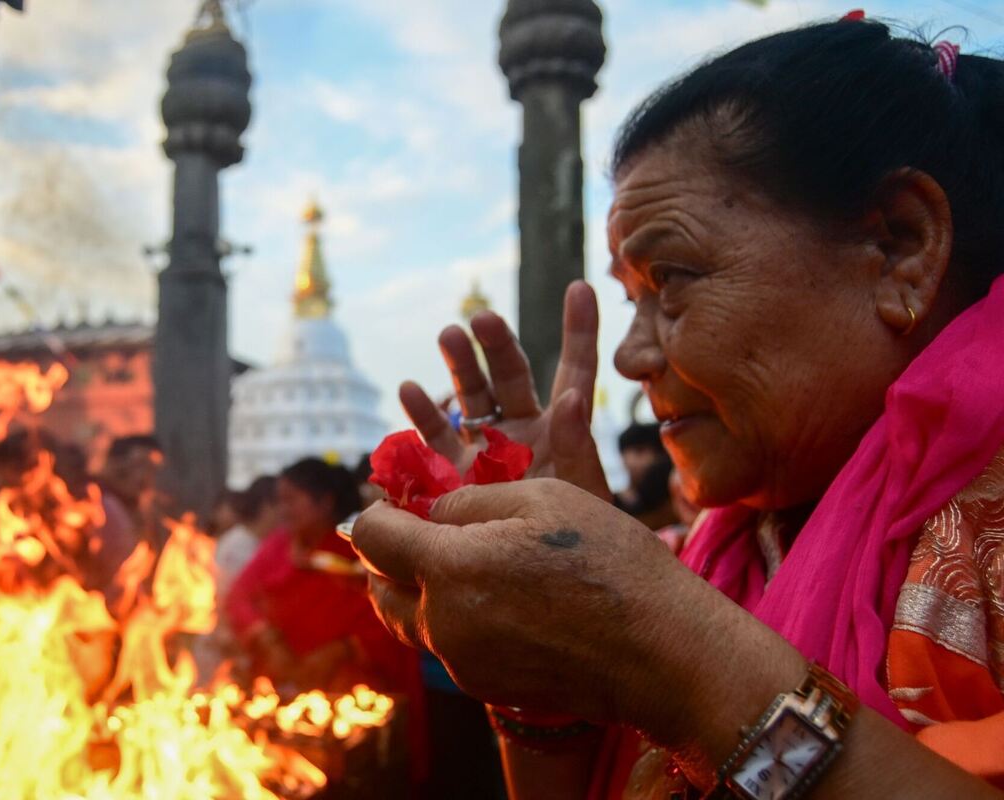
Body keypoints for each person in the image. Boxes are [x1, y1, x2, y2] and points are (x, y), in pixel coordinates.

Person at [351, 16, 1004, 800]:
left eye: (673, 279)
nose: (630, 356)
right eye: (631, 299)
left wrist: (675, 651)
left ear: (900, 247)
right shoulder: (725, 550)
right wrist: (551, 675)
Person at [225, 458, 427, 779]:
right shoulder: (278, 545)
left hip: (355, 692)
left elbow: (390, 616)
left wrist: (342, 650)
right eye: (279, 501)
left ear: (325, 502)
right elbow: (239, 597)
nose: (282, 510)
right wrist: (267, 639)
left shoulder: (357, 549)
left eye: (292, 500)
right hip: (287, 685)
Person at [86, 434, 163, 611]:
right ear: (114, 464)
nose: (145, 477)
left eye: (152, 469)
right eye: (139, 466)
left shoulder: (140, 510)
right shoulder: (100, 507)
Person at [214, 476, 278, 601]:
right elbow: (229, 598)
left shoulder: (274, 542)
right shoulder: (234, 545)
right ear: (267, 507)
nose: (287, 511)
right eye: (284, 503)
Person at [614, 422, 677, 529]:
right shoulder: (611, 503)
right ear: (622, 456)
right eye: (639, 451)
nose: (650, 458)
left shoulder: (671, 501)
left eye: (656, 453)